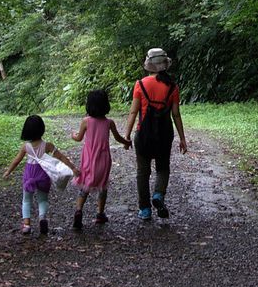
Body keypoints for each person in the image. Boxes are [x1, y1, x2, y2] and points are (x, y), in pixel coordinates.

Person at [124, 48, 187, 220]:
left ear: (149, 65)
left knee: (142, 173)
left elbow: (133, 112)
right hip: (164, 135)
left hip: (143, 135)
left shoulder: (140, 84)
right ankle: (158, 194)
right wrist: (182, 138)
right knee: (163, 168)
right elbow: (176, 114)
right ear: (165, 65)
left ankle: (144, 209)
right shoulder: (173, 86)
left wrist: (127, 136)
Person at [2, 115, 79, 235]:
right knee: (42, 199)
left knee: (26, 200)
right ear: (42, 129)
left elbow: (16, 161)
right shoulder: (48, 145)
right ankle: (42, 218)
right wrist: (73, 167)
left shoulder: (26, 147)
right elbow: (61, 157)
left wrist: (8, 171)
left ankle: (26, 225)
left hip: (29, 175)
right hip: (43, 174)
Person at [69, 89, 132, 229]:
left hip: (88, 159)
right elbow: (118, 138)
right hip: (103, 159)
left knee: (85, 185)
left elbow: (78, 138)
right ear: (106, 105)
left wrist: (73, 135)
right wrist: (127, 142)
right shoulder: (109, 122)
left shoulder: (86, 121)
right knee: (102, 185)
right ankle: (100, 214)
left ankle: (78, 212)